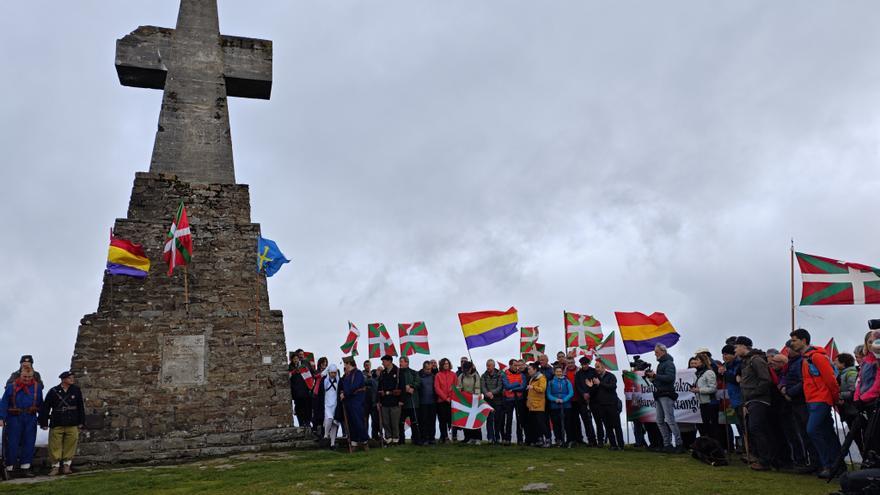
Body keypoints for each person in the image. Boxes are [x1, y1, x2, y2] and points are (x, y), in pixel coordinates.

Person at [789, 328, 841, 479]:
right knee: (826, 432)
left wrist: (835, 397)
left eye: (794, 340)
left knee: (812, 430)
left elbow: (830, 379)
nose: (792, 344)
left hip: (821, 399)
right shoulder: (806, 358)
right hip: (812, 400)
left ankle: (828, 464)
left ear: (804, 340)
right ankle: (836, 464)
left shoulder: (816, 357)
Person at [736, 336, 775, 471]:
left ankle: (765, 461)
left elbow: (765, 380)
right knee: (753, 429)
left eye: (737, 347)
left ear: (743, 346)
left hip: (759, 400)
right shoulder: (746, 362)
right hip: (751, 400)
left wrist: (753, 394)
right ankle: (761, 458)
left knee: (757, 428)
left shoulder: (756, 360)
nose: (735, 350)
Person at [39, 371, 84, 476]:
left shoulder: (76, 390)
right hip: (57, 422)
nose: (72, 379)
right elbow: (46, 408)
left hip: (72, 422)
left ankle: (67, 465)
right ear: (63, 380)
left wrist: (81, 422)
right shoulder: (53, 391)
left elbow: (80, 407)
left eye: (72, 377)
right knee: (54, 445)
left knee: (71, 444)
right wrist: (44, 422)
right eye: (69, 378)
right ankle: (55, 466)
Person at [0, 369, 43, 478]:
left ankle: (25, 468)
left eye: (29, 377)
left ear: (32, 376)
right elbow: (4, 402)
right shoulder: (11, 387)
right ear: (20, 375)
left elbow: (41, 403)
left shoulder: (37, 388)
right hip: (14, 417)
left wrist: (42, 419)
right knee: (12, 443)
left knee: (29, 442)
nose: (27, 379)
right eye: (25, 377)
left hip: (30, 417)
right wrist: (1, 418)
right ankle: (9, 468)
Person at [645, 343, 683, 453]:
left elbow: (670, 378)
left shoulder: (669, 363)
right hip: (660, 394)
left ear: (663, 352)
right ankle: (667, 444)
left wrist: (655, 376)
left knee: (670, 420)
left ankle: (679, 444)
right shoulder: (662, 364)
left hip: (666, 394)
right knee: (660, 421)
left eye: (656, 352)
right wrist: (652, 379)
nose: (655, 354)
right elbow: (661, 380)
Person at [592, 360, 624, 450]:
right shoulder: (596, 378)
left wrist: (600, 383)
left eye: (598, 367)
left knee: (617, 425)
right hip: (601, 405)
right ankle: (613, 445)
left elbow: (612, 387)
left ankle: (621, 445)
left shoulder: (610, 376)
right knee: (607, 426)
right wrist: (592, 386)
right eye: (595, 367)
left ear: (603, 367)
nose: (596, 369)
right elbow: (594, 392)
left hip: (611, 404)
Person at [340, 358, 369, 451]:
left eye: (345, 364)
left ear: (349, 364)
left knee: (358, 421)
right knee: (351, 423)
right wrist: (342, 392)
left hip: (357, 401)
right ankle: (354, 442)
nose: (345, 366)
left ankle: (365, 441)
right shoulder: (347, 375)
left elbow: (355, 386)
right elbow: (344, 387)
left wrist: (345, 393)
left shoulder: (358, 373)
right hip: (349, 401)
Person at [836, 352, 862, 455]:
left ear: (843, 363)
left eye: (837, 362)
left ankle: (866, 459)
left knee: (858, 437)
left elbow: (854, 391)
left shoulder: (850, 373)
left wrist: (839, 395)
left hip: (852, 410)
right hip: (848, 410)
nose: (835, 364)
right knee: (856, 437)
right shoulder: (843, 374)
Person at [718, 345, 742, 453]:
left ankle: (749, 450)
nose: (724, 356)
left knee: (743, 427)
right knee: (738, 424)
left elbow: (736, 380)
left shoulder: (738, 364)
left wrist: (725, 373)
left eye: (726, 354)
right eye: (723, 354)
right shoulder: (726, 365)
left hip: (741, 397)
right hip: (732, 399)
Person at [691, 353, 719, 442]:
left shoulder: (709, 372)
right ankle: (708, 448)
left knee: (712, 428)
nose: (695, 362)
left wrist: (699, 390)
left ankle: (716, 448)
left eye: (697, 360)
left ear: (703, 362)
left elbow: (713, 388)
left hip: (710, 403)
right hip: (703, 403)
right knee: (706, 427)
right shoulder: (699, 373)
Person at [573, 356, 600, 447]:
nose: (584, 366)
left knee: (597, 420)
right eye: (583, 364)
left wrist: (589, 394)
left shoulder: (594, 372)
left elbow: (596, 385)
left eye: (586, 364)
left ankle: (599, 440)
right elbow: (577, 385)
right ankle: (591, 440)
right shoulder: (578, 374)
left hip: (594, 399)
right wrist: (583, 394)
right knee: (586, 421)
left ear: (588, 364)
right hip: (582, 400)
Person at [377, 355, 402, 446]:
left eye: (384, 361)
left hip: (395, 400)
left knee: (394, 421)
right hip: (384, 401)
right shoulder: (383, 373)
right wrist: (379, 401)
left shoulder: (398, 371)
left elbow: (402, 386)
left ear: (389, 361)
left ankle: (395, 439)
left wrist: (401, 400)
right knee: (386, 422)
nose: (382, 363)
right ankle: (388, 439)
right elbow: (379, 388)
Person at [546, 366, 573, 447]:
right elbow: (548, 394)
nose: (559, 373)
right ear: (554, 372)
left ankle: (569, 440)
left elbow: (571, 392)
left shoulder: (567, 381)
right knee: (556, 424)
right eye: (557, 371)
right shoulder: (550, 382)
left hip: (566, 406)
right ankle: (559, 440)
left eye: (560, 371)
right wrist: (555, 399)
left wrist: (564, 400)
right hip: (555, 406)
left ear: (562, 372)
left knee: (568, 424)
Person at [500, 358, 526, 445]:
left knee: (520, 419)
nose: (517, 367)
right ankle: (508, 439)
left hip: (519, 399)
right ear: (510, 365)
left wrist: (513, 388)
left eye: (518, 365)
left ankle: (520, 439)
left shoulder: (522, 375)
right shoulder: (505, 374)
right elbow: (507, 386)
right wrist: (517, 384)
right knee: (509, 419)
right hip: (509, 399)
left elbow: (523, 387)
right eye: (515, 365)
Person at [457, 361, 482, 444]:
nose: (466, 371)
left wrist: (476, 397)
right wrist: (459, 392)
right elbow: (459, 387)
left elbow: (477, 388)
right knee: (466, 420)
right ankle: (468, 437)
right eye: (465, 369)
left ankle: (477, 438)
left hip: (474, 400)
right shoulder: (461, 376)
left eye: (467, 369)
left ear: (471, 368)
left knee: (475, 420)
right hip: (464, 401)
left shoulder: (476, 376)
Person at [525, 362, 550, 448]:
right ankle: (540, 440)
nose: (528, 371)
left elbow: (542, 389)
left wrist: (533, 387)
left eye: (529, 369)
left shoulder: (541, 378)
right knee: (535, 424)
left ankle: (548, 440)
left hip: (539, 405)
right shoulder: (532, 378)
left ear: (535, 369)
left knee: (541, 423)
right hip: (532, 405)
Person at [398, 356, 421, 445]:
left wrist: (412, 386)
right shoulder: (398, 372)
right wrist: (404, 388)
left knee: (414, 422)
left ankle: (416, 439)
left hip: (413, 401)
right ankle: (401, 440)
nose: (400, 363)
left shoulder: (413, 372)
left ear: (407, 363)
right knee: (400, 422)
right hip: (402, 401)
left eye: (402, 361)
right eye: (400, 361)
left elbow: (418, 382)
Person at [319, 364, 342, 449]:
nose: (333, 374)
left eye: (335, 373)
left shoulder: (338, 380)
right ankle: (325, 435)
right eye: (332, 373)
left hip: (335, 404)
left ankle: (332, 443)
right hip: (327, 404)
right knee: (329, 419)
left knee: (334, 424)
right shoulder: (325, 381)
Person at [481, 359, 504, 444]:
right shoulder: (483, 375)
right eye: (487, 365)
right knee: (489, 419)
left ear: (494, 366)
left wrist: (492, 392)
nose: (488, 367)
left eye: (489, 366)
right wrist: (487, 393)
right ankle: (490, 437)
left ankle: (497, 437)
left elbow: (500, 387)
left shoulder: (499, 375)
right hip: (487, 401)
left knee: (497, 419)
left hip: (497, 400)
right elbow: (482, 386)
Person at [289, 350, 313, 428]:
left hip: (305, 392)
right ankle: (301, 423)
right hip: (297, 393)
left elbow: (309, 377)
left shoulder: (303, 367)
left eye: (297, 358)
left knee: (307, 408)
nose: (296, 360)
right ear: (292, 360)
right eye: (294, 359)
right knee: (299, 409)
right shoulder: (290, 368)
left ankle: (307, 422)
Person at [434, 358, 456, 443]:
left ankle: (451, 436)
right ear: (442, 365)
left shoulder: (453, 375)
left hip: (451, 401)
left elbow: (455, 387)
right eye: (444, 364)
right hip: (441, 401)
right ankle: (444, 436)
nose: (446, 365)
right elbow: (437, 388)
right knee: (442, 420)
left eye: (447, 363)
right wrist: (445, 398)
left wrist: (450, 397)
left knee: (450, 420)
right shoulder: (438, 375)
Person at [418, 360, 437, 445]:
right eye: (427, 369)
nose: (429, 371)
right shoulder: (419, 376)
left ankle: (432, 438)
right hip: (422, 403)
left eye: (430, 369)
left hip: (432, 402)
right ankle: (424, 438)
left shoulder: (434, 377)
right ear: (423, 368)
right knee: (423, 421)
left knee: (432, 421)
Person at [363, 360, 381, 441]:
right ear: (364, 366)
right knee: (365, 420)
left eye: (369, 365)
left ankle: (375, 436)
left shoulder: (374, 374)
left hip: (373, 402)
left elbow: (376, 383)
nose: (368, 366)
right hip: (365, 402)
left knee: (375, 421)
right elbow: (364, 382)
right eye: (366, 365)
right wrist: (369, 377)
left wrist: (373, 376)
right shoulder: (362, 374)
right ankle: (365, 436)